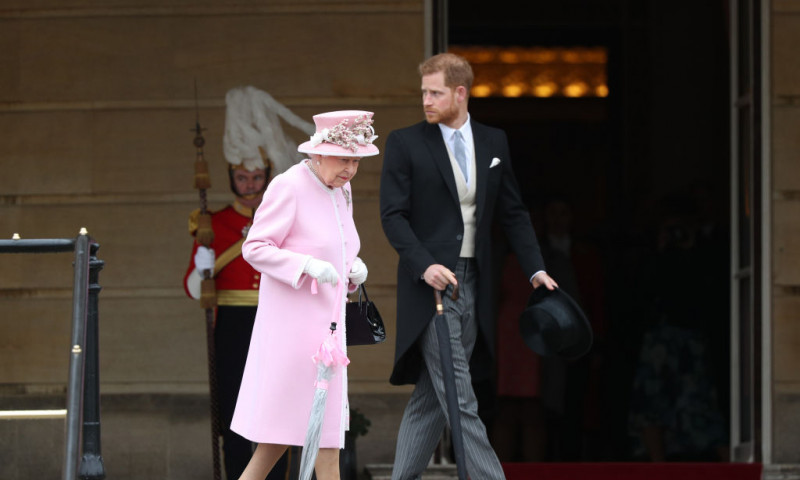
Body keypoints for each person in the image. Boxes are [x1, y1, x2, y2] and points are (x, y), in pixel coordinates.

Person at [379, 52, 558, 480]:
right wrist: (424, 266)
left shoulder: (494, 141)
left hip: (476, 279)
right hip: (431, 287)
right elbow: (392, 216)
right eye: (423, 92)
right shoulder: (405, 142)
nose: (426, 100)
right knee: (459, 395)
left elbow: (513, 212)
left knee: (430, 399)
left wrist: (535, 269)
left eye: (435, 92)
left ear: (460, 93)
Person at [231, 110, 378, 480]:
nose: (351, 169)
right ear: (318, 153)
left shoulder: (342, 188)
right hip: (291, 332)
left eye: (356, 161)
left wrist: (352, 268)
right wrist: (305, 265)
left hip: (329, 330)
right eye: (344, 159)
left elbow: (340, 246)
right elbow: (255, 247)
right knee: (288, 437)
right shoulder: (289, 185)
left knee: (315, 437)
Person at [184, 86, 314, 480]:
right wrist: (204, 265)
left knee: (278, 409)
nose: (250, 185)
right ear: (231, 178)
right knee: (235, 410)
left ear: (267, 176)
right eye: (242, 177)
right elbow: (193, 289)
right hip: (234, 326)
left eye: (257, 177)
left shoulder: (285, 214)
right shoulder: (214, 222)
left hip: (277, 318)